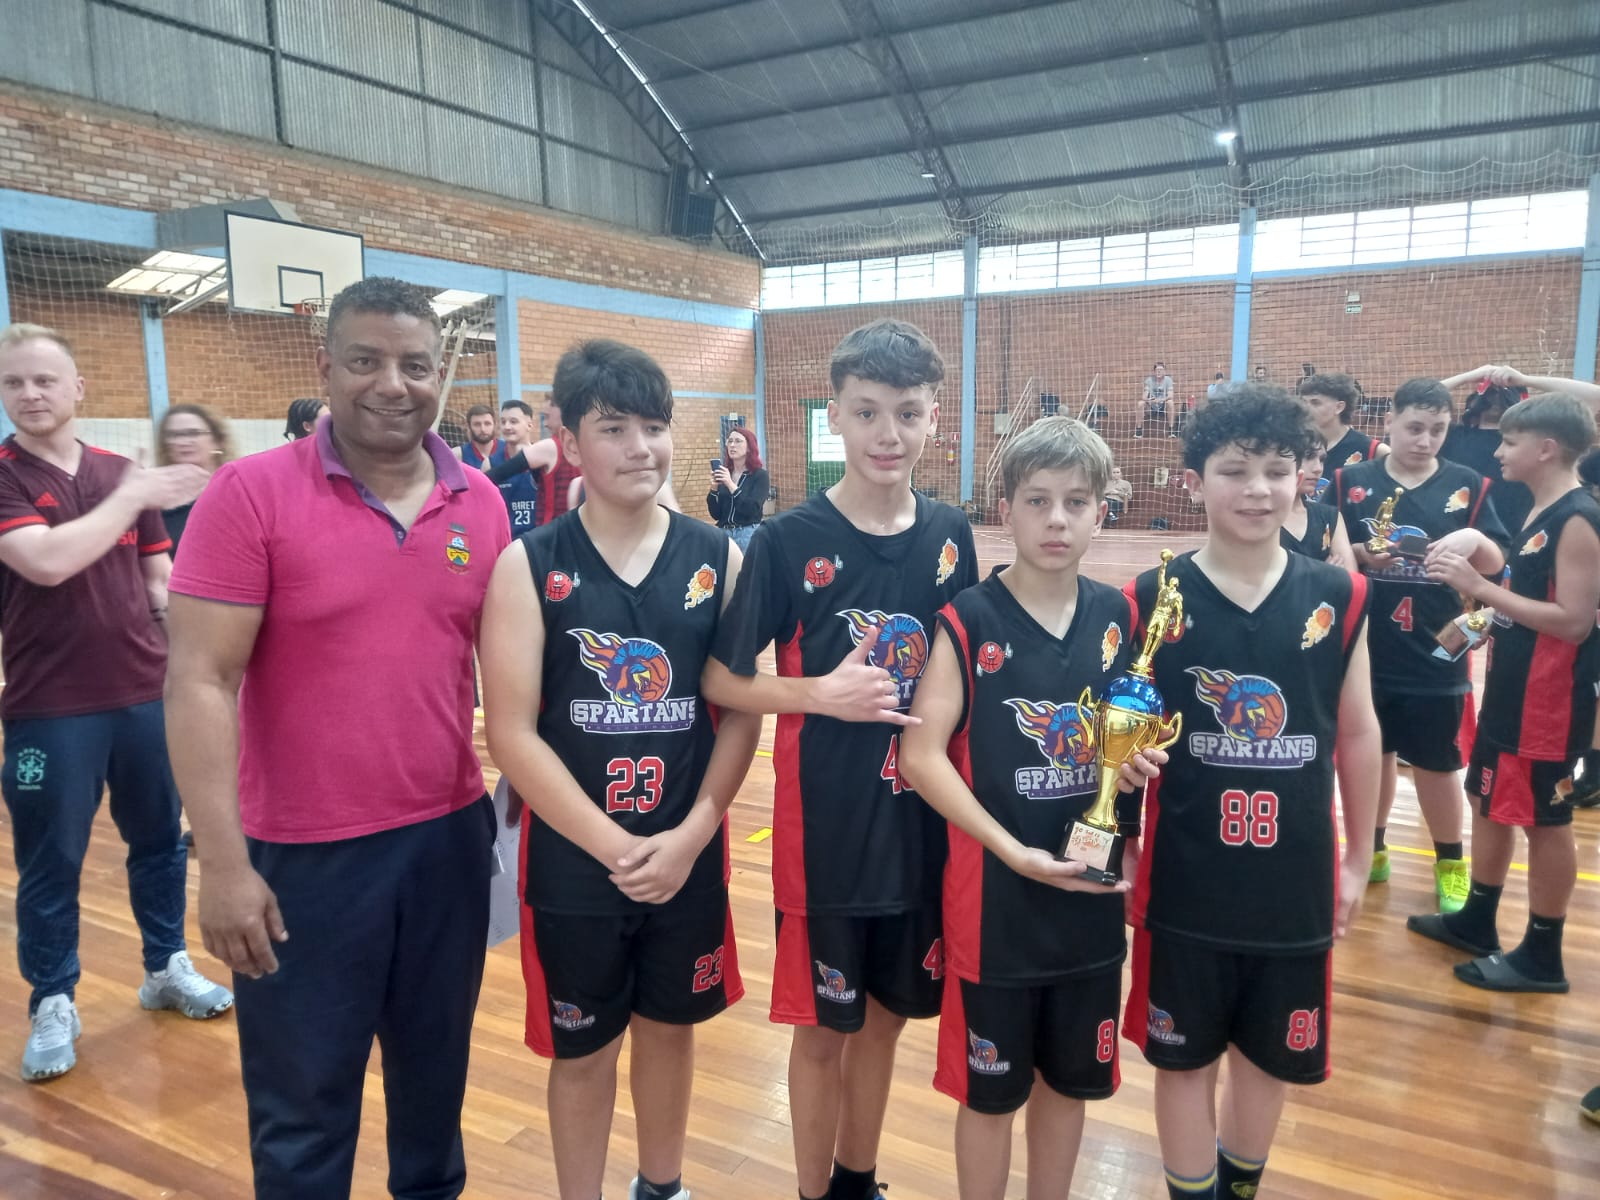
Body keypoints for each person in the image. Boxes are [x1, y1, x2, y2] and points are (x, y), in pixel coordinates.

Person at [163, 277, 510, 1198]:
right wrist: (222, 865)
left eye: (415, 365)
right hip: (301, 860)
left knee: (434, 1095)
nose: (392, 384)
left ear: (440, 377)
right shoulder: (248, 494)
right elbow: (198, 682)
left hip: (446, 842)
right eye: (366, 361)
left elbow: (517, 682)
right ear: (326, 368)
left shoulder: (480, 503)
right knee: (303, 1117)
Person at [703, 318, 978, 1200]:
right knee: (823, 1030)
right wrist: (818, 692)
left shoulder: (950, 533)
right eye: (867, 413)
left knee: (888, 1020)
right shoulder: (785, 539)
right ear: (836, 418)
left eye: (908, 413)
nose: (888, 434)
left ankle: (858, 1181)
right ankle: (812, 1192)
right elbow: (722, 677)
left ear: (934, 417)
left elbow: (972, 674)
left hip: (921, 827)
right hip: (826, 835)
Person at [481, 339, 760, 1200]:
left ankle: (662, 1186)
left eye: (654, 426)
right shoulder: (529, 564)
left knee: (671, 1030)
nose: (641, 447)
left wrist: (694, 833)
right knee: (584, 1049)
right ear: (569, 442)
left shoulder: (720, 559)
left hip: (687, 852)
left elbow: (742, 712)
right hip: (575, 862)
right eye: (614, 429)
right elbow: (512, 736)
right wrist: (614, 846)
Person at [1124, 387, 1380, 1200]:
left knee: (1268, 1059)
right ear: (1194, 480)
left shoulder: (1340, 595)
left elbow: (1358, 732)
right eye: (1235, 470)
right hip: (1186, 881)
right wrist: (1122, 823)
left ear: (1304, 476)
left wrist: (1359, 859)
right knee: (1182, 1061)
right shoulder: (1150, 596)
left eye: (1277, 469)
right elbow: (1123, 739)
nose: (1258, 489)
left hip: (1294, 883)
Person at [899, 416, 1163, 1200]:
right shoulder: (968, 619)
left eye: (1076, 502)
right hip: (996, 907)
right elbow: (920, 756)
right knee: (990, 1097)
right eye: (1038, 500)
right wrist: (1009, 850)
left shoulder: (1121, 617)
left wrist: (1137, 764)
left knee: (1069, 1085)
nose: (1057, 519)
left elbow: (1125, 738)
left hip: (1088, 899)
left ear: (1100, 513)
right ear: (1005, 509)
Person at [0, 323, 230, 1083]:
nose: (30, 394)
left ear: (78, 388)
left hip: (142, 696)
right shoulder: (7, 477)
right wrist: (134, 492)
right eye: (14, 383)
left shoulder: (118, 472)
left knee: (160, 841)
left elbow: (158, 583)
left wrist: (196, 664)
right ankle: (52, 999)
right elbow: (48, 561)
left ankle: (165, 965)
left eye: (44, 380)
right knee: (51, 858)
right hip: (49, 706)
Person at [1407, 394, 1600, 993]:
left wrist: (1480, 587)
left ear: (1546, 448)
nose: (1498, 452)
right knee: (1486, 799)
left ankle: (1543, 954)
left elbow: (1575, 622)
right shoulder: (1541, 508)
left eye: (1510, 442)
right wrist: (1480, 614)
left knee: (1545, 820)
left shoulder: (1579, 518)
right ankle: (1477, 918)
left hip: (1549, 702)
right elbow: (1530, 599)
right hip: (1511, 691)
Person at [1335, 378, 1509, 909]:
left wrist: (1476, 540)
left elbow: (1499, 563)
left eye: (1437, 429)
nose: (1425, 439)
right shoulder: (1348, 481)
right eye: (1414, 427)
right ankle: (1374, 848)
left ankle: (1451, 862)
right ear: (1389, 421)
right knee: (1373, 753)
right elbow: (1322, 548)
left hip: (1438, 649)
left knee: (1438, 763)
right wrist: (1360, 553)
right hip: (1365, 647)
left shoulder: (1469, 484)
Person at [155, 403, 234, 554]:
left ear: (217, 440)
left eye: (193, 433)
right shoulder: (156, 499)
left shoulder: (238, 490)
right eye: (174, 435)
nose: (183, 442)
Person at [1281, 439, 1356, 570]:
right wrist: (1322, 573)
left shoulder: (1329, 516)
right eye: (1308, 456)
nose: (1318, 468)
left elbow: (1351, 578)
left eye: (1321, 460)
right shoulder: (1260, 515)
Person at [1300, 373, 1388, 468]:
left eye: (1315, 403)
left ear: (1339, 407)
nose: (1305, 408)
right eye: (1303, 402)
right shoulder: (1296, 445)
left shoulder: (1374, 450)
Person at [707, 425, 770, 551]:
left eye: (738, 441)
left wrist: (731, 485)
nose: (732, 445)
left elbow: (751, 509)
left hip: (747, 534)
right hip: (724, 534)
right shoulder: (726, 473)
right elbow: (716, 514)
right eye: (730, 441)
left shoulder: (760, 475)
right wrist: (714, 488)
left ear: (749, 447)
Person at [492, 399, 552, 533]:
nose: (507, 427)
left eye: (513, 421)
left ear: (529, 425)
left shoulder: (544, 461)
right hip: (507, 540)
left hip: (539, 539)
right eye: (503, 422)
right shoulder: (490, 463)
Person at [458, 401, 506, 472]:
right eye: (477, 424)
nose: (483, 429)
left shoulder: (508, 450)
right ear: (468, 426)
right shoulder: (459, 455)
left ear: (495, 425)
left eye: (487, 424)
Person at [1136, 362, 1174, 439]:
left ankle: (1171, 430)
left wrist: (1160, 400)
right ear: (1154, 372)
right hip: (1151, 407)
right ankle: (1138, 431)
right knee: (1140, 403)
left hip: (1163, 406)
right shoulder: (1149, 380)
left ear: (1164, 371)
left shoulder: (1168, 380)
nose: (1159, 371)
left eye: (1161, 370)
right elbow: (1144, 396)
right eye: (1157, 370)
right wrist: (1150, 400)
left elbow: (1170, 395)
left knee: (1170, 402)